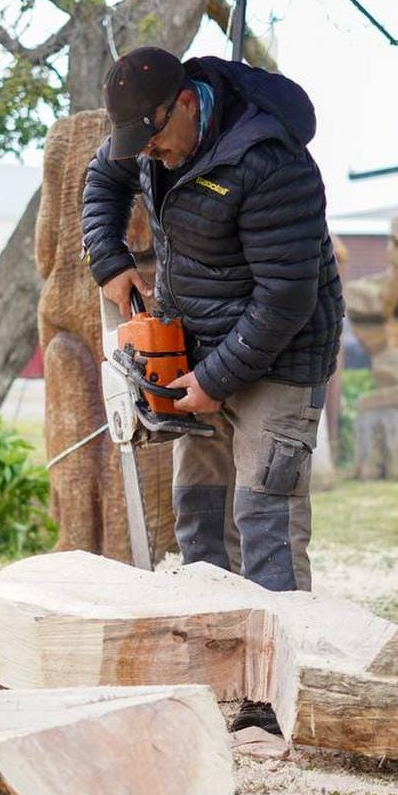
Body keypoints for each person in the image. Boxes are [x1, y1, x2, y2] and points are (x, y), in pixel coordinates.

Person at [82, 46, 343, 732]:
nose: (154, 157)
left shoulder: (268, 159)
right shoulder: (149, 140)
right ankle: (211, 672)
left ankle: (272, 698)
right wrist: (110, 260)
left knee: (266, 517)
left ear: (188, 101)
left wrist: (217, 378)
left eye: (158, 139)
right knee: (197, 510)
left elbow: (285, 296)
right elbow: (101, 181)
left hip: (279, 358)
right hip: (195, 348)